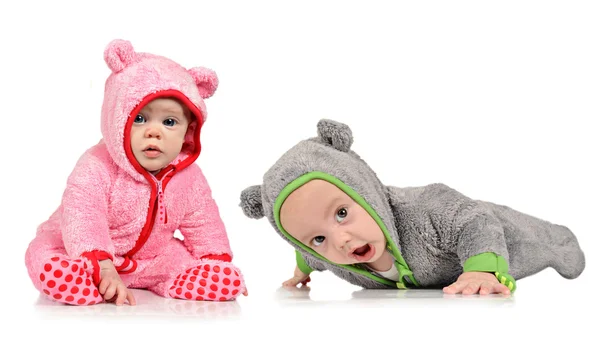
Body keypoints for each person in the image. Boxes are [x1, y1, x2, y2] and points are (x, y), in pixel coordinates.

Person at [239, 119, 585, 295]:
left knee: (543, 243)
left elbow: (474, 222)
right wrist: (303, 269)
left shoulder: (423, 211)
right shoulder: (330, 255)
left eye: (342, 213)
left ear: (364, 193)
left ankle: (557, 241)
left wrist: (481, 270)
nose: (340, 241)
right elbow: (310, 252)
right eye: (318, 238)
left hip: (504, 237)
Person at [25, 39, 246, 306]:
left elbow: (204, 221)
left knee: (176, 258)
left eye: (169, 122)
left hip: (149, 260)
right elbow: (83, 215)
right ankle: (80, 277)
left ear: (188, 129)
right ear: (117, 118)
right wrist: (103, 266)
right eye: (140, 118)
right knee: (46, 251)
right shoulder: (96, 165)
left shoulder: (189, 177)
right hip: (81, 250)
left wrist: (216, 259)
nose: (154, 131)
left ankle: (192, 277)